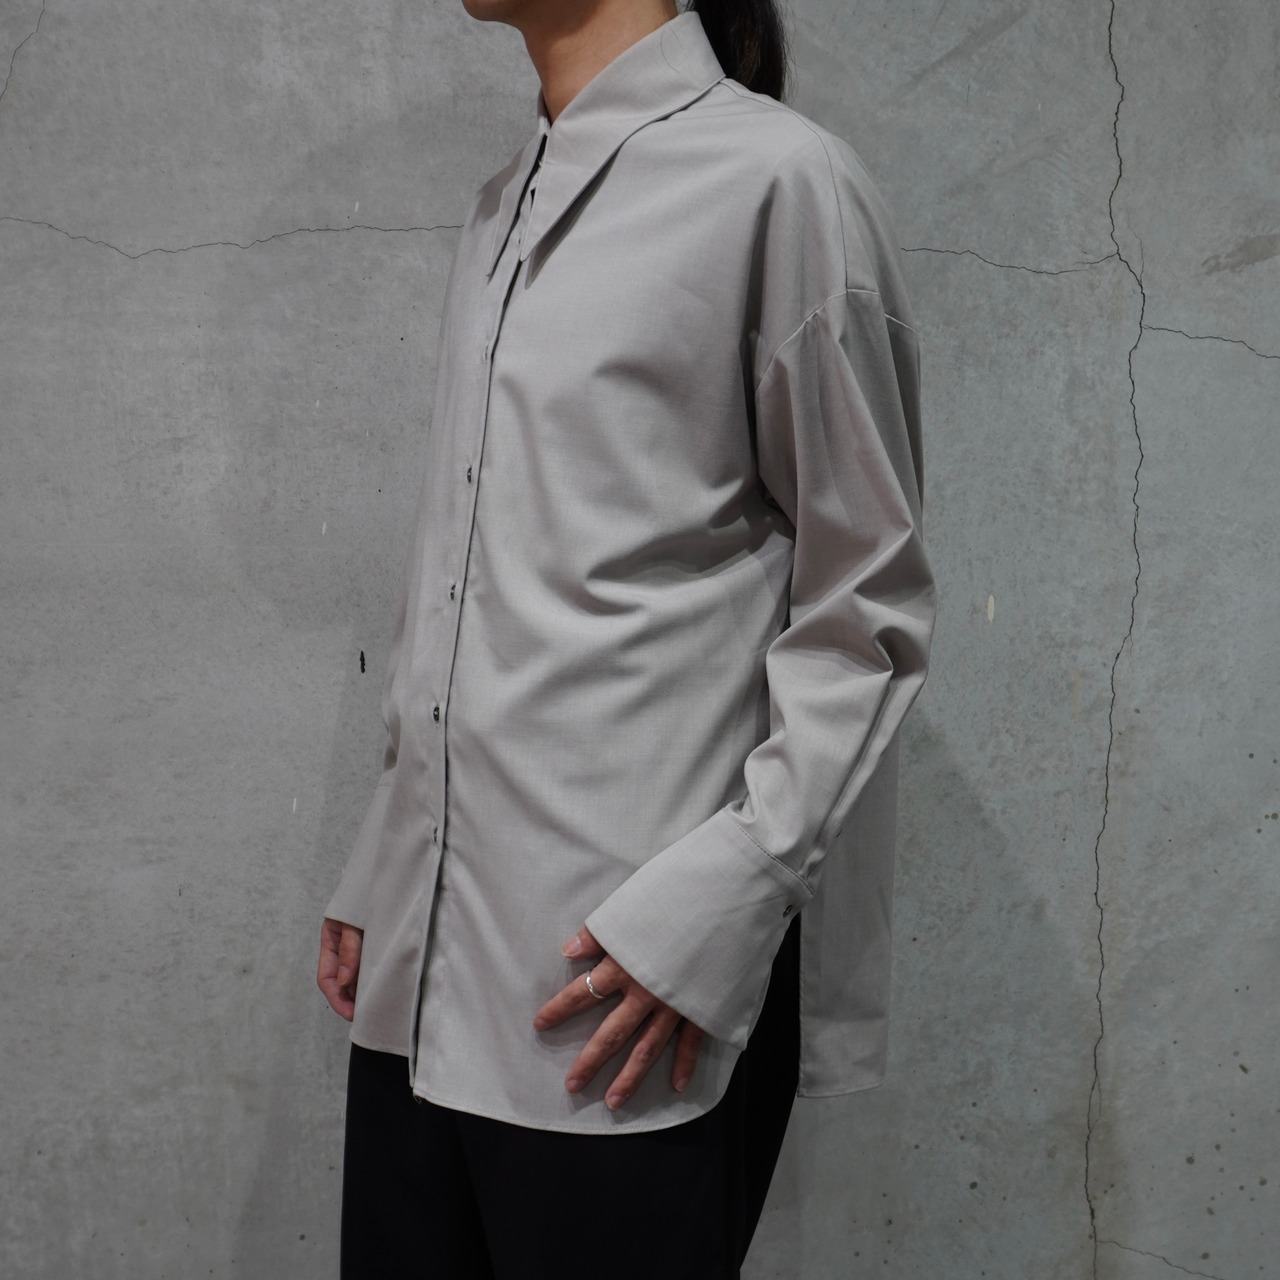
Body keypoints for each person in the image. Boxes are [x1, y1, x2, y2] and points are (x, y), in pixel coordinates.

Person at [317, 0, 935, 1275]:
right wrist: (386, 853)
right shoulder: (501, 205)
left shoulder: (777, 182)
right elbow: (466, 566)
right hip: (425, 971)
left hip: (623, 992)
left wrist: (728, 898)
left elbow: (864, 603)